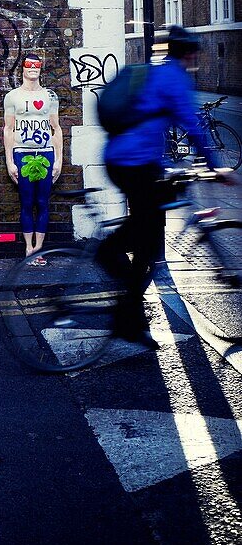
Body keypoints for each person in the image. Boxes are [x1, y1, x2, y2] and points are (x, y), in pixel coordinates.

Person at [100, 26, 233, 346]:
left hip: (126, 159)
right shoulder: (175, 79)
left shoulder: (157, 73)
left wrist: (166, 165)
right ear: (188, 53)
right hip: (134, 164)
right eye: (194, 53)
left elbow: (153, 125)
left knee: (148, 242)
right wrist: (217, 167)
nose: (195, 58)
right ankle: (110, 265)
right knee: (143, 239)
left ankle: (128, 316)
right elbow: (193, 127)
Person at [3, 51, 63, 265]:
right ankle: (29, 248)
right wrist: (9, 161)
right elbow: (8, 130)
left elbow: (56, 128)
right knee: (27, 202)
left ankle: (39, 249)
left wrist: (59, 159)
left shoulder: (50, 96)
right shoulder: (12, 97)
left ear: (40, 68)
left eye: (36, 65)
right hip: (22, 153)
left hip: (45, 153)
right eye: (28, 64)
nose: (32, 68)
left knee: (42, 202)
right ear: (22, 68)